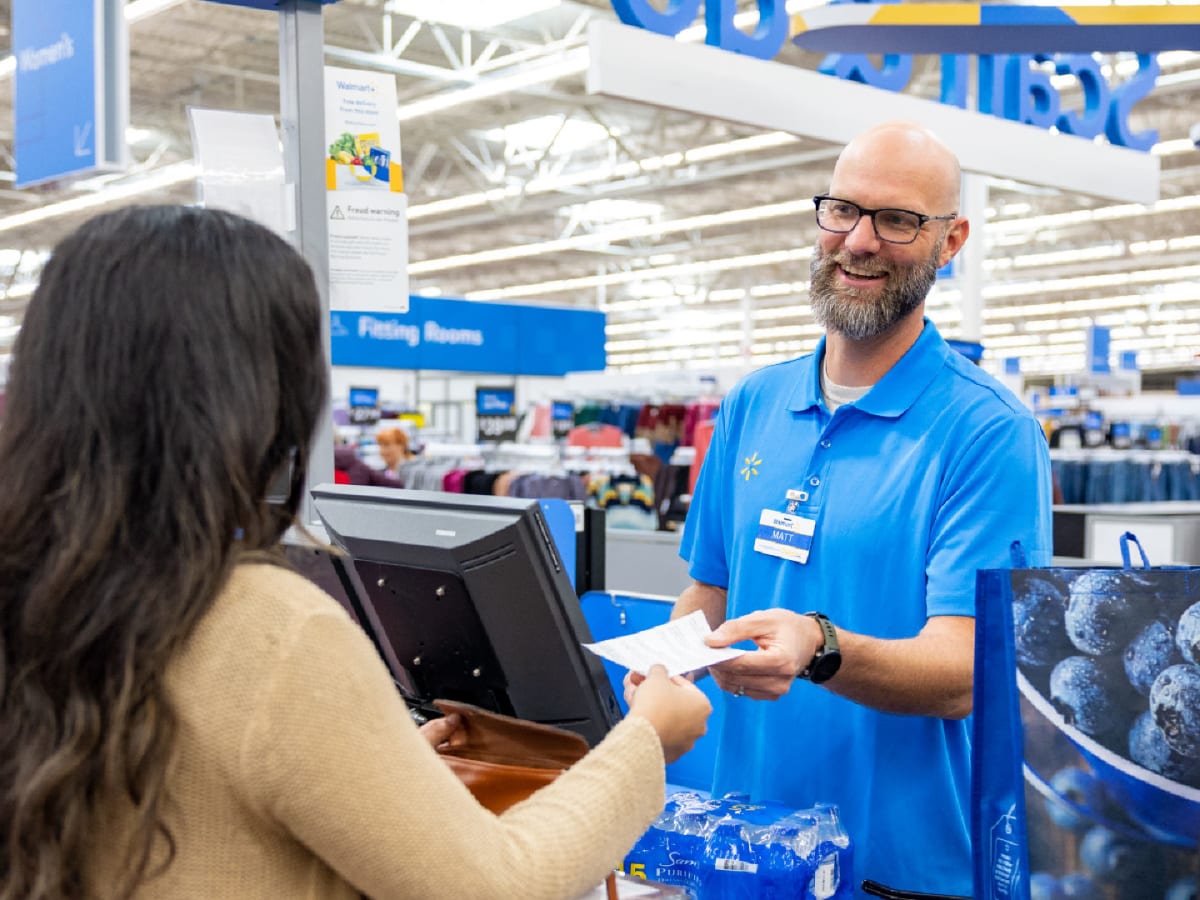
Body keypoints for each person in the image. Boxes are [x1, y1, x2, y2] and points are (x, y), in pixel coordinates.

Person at [0, 204, 712, 900]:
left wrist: (379, 774)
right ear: (264, 392)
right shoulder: (271, 628)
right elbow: (501, 883)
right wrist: (645, 741)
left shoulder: (37, 588)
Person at [656, 121, 1053, 896]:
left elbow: (966, 672)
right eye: (843, 210)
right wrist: (664, 672)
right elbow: (709, 595)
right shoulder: (752, 404)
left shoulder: (988, 433)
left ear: (951, 240)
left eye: (899, 220)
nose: (861, 242)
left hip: (898, 872)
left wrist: (819, 645)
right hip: (746, 849)